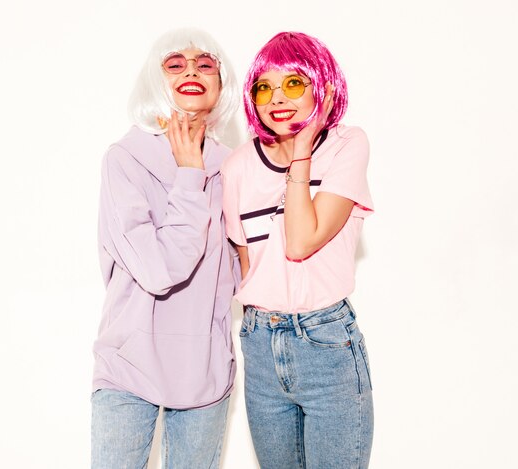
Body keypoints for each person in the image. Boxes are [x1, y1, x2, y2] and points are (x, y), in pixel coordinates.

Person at [221, 31, 374, 468]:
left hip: (325, 341)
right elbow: (249, 267)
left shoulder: (347, 145)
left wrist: (302, 152)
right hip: (261, 343)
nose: (276, 98)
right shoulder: (238, 167)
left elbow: (301, 241)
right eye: (264, 87)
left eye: (292, 83)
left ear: (321, 85)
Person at [91, 28, 239, 468]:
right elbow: (158, 270)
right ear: (156, 80)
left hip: (205, 374)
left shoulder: (234, 166)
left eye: (205, 64)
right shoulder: (125, 158)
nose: (191, 70)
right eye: (175, 64)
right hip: (128, 368)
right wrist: (189, 175)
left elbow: (241, 269)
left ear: (221, 84)